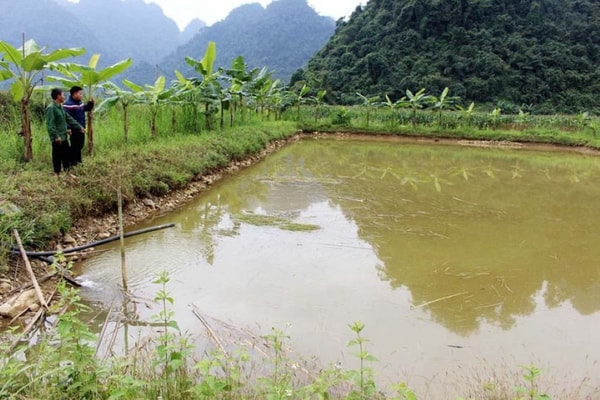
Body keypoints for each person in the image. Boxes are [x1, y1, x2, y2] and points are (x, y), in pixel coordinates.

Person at [46, 88, 84, 176]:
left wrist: (79, 127)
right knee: (57, 156)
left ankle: (68, 173)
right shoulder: (51, 108)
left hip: (64, 136)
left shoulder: (60, 107)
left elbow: (68, 118)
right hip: (57, 138)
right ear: (58, 96)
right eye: (63, 95)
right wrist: (56, 136)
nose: (64, 97)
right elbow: (50, 124)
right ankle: (57, 174)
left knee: (66, 156)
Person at [63, 85, 94, 166]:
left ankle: (78, 161)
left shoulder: (79, 103)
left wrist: (91, 103)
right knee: (75, 145)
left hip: (81, 128)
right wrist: (68, 128)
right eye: (80, 94)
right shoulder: (68, 105)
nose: (81, 95)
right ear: (74, 94)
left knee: (80, 145)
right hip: (74, 129)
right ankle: (72, 162)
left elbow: (86, 108)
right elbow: (65, 117)